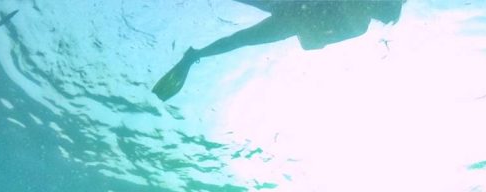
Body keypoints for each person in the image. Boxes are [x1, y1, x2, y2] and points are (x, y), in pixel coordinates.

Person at [152, 0, 404, 102]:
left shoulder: (358, 26)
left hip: (289, 19)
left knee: (239, 40)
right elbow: (312, 42)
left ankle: (194, 56)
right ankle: (194, 56)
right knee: (239, 40)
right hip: (290, 13)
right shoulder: (357, 25)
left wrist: (308, 24)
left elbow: (309, 44)